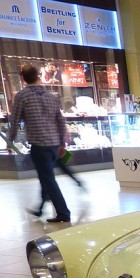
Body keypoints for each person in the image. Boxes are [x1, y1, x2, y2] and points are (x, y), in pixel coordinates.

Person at [7, 65, 72, 223]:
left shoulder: (22, 96)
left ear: (23, 79)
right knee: (47, 176)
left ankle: (63, 213)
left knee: (48, 179)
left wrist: (10, 140)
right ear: (38, 76)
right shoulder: (51, 96)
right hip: (54, 144)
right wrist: (62, 143)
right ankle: (41, 207)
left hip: (39, 144)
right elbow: (60, 120)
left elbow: (15, 120)